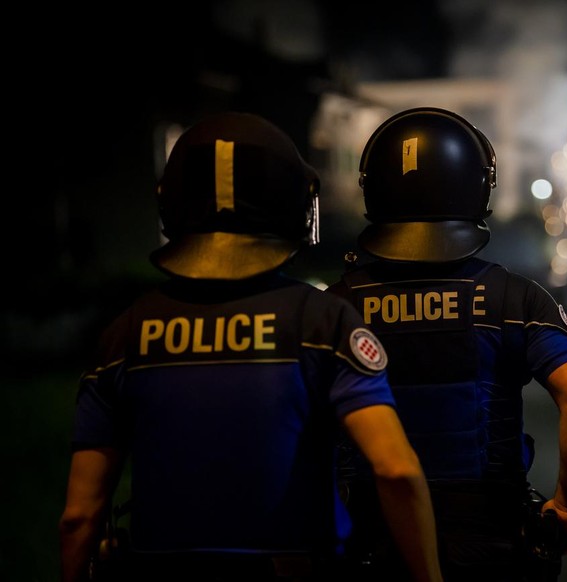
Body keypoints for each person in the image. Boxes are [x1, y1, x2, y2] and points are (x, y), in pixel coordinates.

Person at [58, 111, 443, 582]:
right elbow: (397, 470)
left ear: (169, 204)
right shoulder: (322, 321)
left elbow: (80, 515)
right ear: (296, 205)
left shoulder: (124, 333)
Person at [327, 106, 567, 581]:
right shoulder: (514, 297)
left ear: (372, 187)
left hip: (373, 534)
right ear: (479, 186)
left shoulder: (338, 305)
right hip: (490, 538)